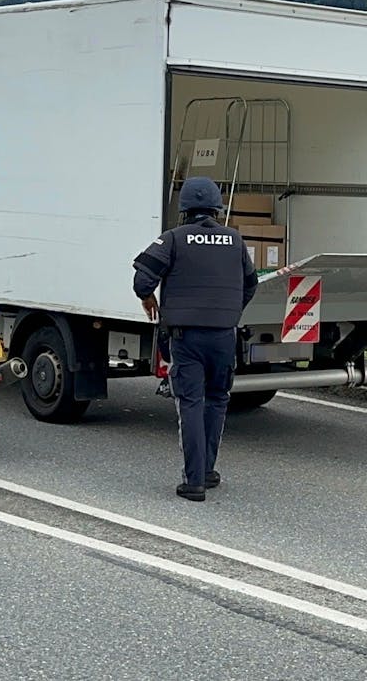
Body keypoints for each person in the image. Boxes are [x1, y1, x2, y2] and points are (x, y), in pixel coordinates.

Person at [133, 176, 257, 502]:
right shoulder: (235, 241)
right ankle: (208, 472)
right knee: (217, 400)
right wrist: (229, 313)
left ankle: (194, 482)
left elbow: (142, 277)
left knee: (190, 403)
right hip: (223, 336)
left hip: (186, 338)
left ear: (184, 208)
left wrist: (147, 298)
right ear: (217, 207)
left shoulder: (173, 239)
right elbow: (251, 284)